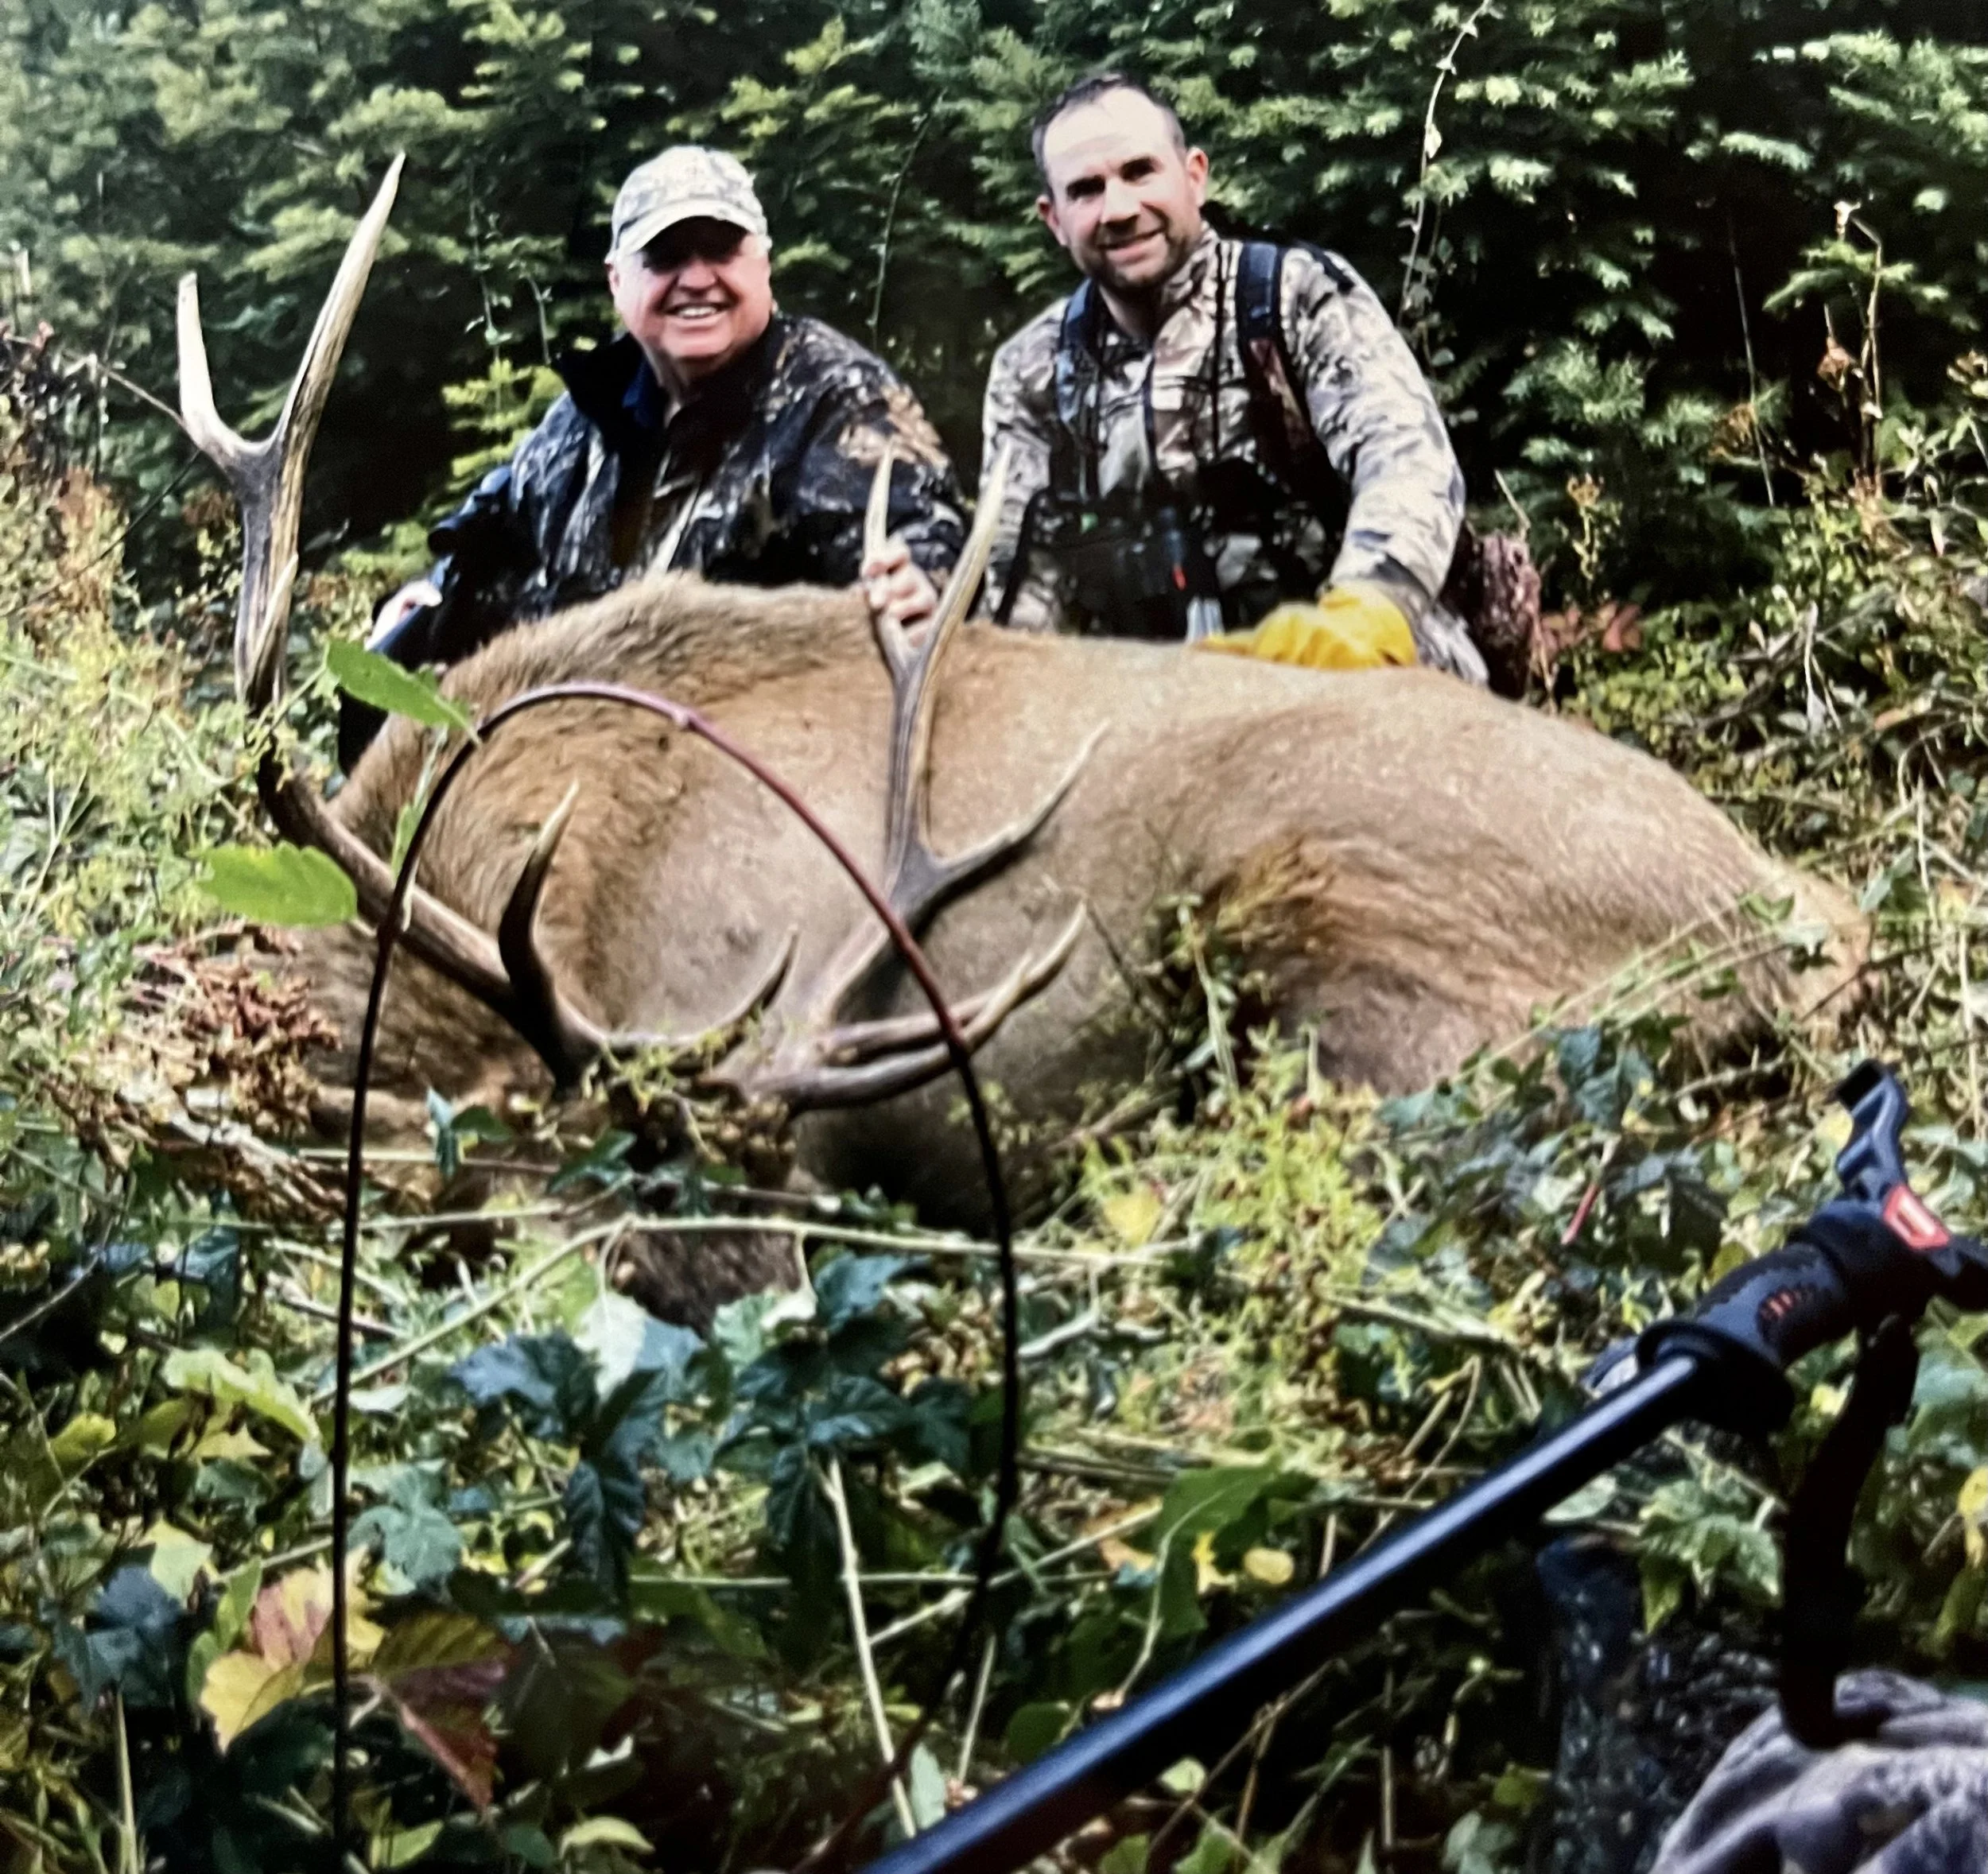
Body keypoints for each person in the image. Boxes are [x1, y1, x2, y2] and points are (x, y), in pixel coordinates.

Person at [343, 145, 963, 767]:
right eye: (664, 256)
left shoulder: (838, 397)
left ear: (763, 263)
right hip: (578, 762)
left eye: (721, 249)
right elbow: (492, 540)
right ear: (619, 282)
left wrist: (922, 580)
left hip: (757, 773)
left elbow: (921, 534)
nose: (696, 278)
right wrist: (425, 598)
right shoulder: (588, 415)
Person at [980, 73, 1489, 680]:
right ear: (1054, 219)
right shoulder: (1033, 369)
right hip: (1153, 701)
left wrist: (1366, 613)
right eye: (1086, 190)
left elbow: (1407, 460)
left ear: (1194, 175)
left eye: (1141, 172)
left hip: (1348, 667)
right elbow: (1018, 584)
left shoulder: (1292, 295)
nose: (1118, 209)